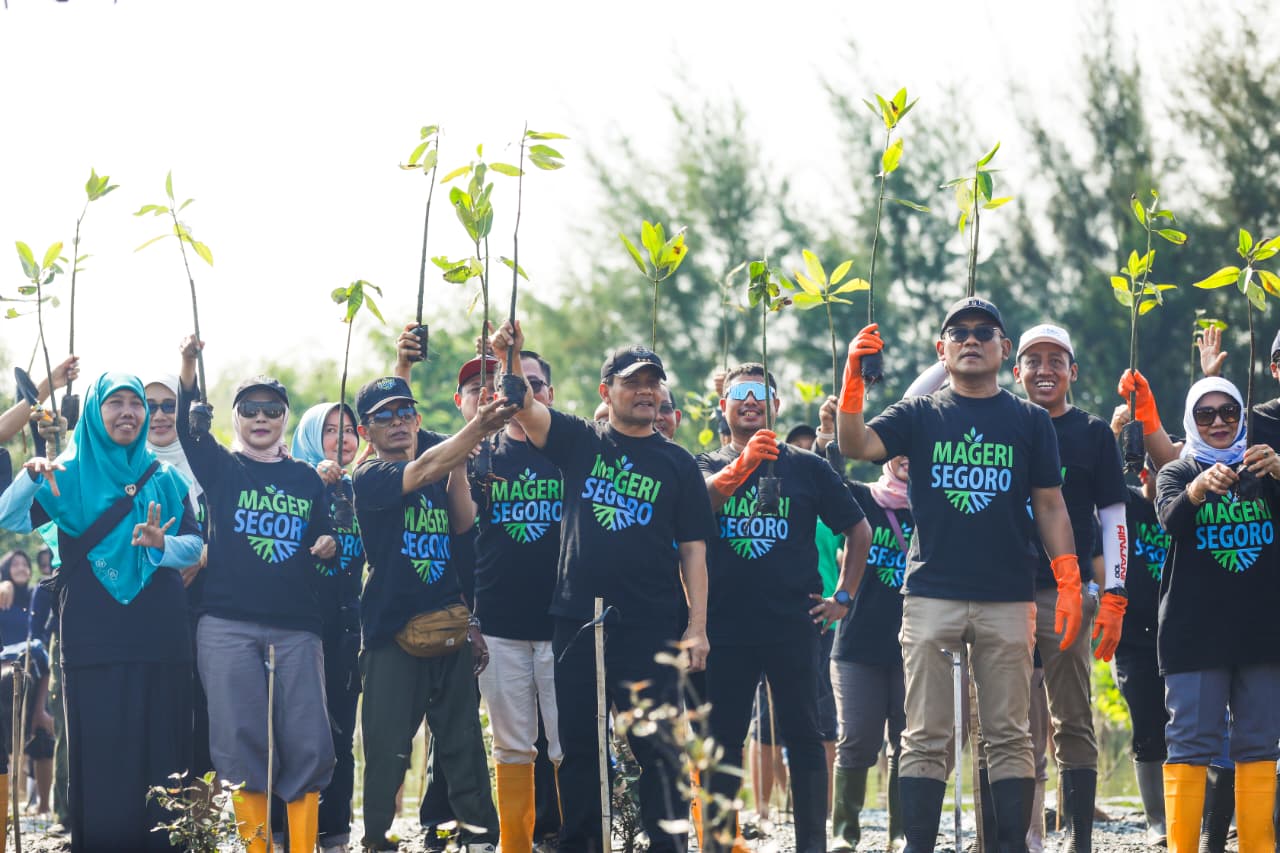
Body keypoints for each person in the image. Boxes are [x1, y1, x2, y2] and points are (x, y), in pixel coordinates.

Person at [837, 298, 1080, 853]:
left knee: (1009, 734)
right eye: (959, 332)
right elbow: (855, 445)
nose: (971, 339)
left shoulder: (1030, 421)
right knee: (924, 733)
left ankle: (1009, 846)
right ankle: (918, 845)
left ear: (1004, 349)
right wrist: (853, 381)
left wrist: (1067, 578)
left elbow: (1050, 505)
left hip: (1007, 596)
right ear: (941, 349)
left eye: (984, 332)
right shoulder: (918, 414)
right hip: (931, 594)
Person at [490, 322, 716, 853]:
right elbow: (524, 405)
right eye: (632, 382)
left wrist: (697, 627)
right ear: (606, 391)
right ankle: (584, 844)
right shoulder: (579, 440)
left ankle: (668, 846)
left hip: (652, 624)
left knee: (658, 745)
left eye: (652, 382)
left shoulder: (678, 464)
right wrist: (510, 356)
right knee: (581, 746)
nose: (645, 391)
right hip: (578, 621)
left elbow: (694, 552)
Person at [0, 371, 202, 852]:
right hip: (93, 637)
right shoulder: (64, 475)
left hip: (161, 634)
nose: (128, 412)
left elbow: (195, 545)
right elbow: (8, 516)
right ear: (95, 411)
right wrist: (31, 476)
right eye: (115, 403)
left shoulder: (166, 477)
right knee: (102, 748)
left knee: (163, 746)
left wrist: (162, 544)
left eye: (136, 403)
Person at [698, 363, 870, 853]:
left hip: (794, 624)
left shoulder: (807, 466)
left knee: (805, 735)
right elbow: (698, 506)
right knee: (722, 740)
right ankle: (717, 843)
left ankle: (811, 843)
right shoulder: (705, 463)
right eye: (741, 393)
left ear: (776, 405)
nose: (751, 401)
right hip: (725, 627)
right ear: (724, 405)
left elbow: (859, 530)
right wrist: (744, 464)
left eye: (762, 393)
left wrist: (843, 596)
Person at [177, 338, 339, 853]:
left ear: (285, 417)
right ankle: (256, 846)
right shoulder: (223, 468)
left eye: (272, 409)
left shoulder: (307, 479)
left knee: (308, 741)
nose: (261, 418)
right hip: (226, 624)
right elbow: (186, 431)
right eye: (250, 409)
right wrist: (188, 367)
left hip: (297, 627)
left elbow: (324, 533)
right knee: (238, 741)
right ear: (237, 417)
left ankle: (302, 845)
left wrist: (328, 542)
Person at [352, 373, 510, 852]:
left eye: (405, 413)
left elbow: (463, 522)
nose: (397, 422)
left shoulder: (436, 470)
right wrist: (476, 429)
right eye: (384, 416)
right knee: (387, 750)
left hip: (447, 623)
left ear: (418, 420)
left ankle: (481, 839)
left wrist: (459, 464)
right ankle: (377, 841)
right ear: (365, 431)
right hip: (391, 633)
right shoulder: (370, 476)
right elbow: (421, 470)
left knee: (463, 743)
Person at [1011, 324, 1129, 853]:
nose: (1044, 370)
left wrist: (1115, 593)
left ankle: (1080, 839)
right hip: (1003, 592)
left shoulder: (1093, 433)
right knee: (1004, 722)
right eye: (1033, 360)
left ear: (1072, 372)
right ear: (1015, 370)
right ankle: (1014, 838)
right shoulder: (1001, 422)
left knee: (1073, 718)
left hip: (1069, 593)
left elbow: (1114, 517)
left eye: (1056, 360)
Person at [1153, 376, 1280, 853]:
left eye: (1229, 411)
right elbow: (1170, 520)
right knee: (1188, 744)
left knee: (1260, 745)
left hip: (1262, 632)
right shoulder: (1177, 472)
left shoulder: (1264, 467)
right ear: (1191, 421)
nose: (1219, 422)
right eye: (1205, 414)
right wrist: (1197, 490)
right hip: (1195, 634)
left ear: (1243, 416)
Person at [460, 349, 564, 853]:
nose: (526, 391)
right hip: (499, 623)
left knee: (567, 743)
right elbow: (460, 535)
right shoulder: (482, 455)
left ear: (550, 394)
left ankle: (573, 837)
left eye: (535, 384)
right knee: (511, 745)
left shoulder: (570, 450)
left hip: (565, 622)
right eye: (516, 383)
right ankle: (516, 845)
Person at [291, 402, 365, 853]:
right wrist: (312, 483)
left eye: (350, 429)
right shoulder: (293, 483)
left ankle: (335, 833)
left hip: (347, 627)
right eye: (330, 430)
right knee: (297, 732)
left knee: (341, 733)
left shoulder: (359, 488)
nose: (342, 439)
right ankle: (287, 832)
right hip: (300, 626)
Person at [830, 451, 912, 851]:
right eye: (899, 451)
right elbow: (830, 484)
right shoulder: (862, 498)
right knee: (857, 738)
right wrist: (829, 436)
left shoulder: (934, 503)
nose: (907, 458)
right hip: (858, 643)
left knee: (908, 739)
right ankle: (845, 833)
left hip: (914, 644)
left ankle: (902, 833)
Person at [143, 374, 216, 791]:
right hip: (144, 607)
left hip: (203, 606)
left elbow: (237, 529)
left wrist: (204, 553)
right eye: (149, 405)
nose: (159, 415)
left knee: (202, 709)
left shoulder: (211, 465)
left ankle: (200, 813)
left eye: (169, 405)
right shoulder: (126, 465)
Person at [1109, 405, 1171, 846]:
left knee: (1192, 724)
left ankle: (1207, 811)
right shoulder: (1127, 504)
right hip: (1133, 636)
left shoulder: (1186, 503)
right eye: (1147, 467)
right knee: (1146, 721)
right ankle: (1156, 819)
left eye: (1161, 465)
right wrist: (1116, 436)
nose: (1154, 474)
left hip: (1183, 632)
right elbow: (1099, 484)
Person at [0, 550, 54, 817]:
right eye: (15, 564)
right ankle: (8, 805)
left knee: (41, 736)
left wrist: (41, 706)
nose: (21, 568)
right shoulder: (2, 596)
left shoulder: (37, 596)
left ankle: (44, 808)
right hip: (4, 680)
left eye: (25, 564)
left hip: (35, 675)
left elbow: (42, 646)